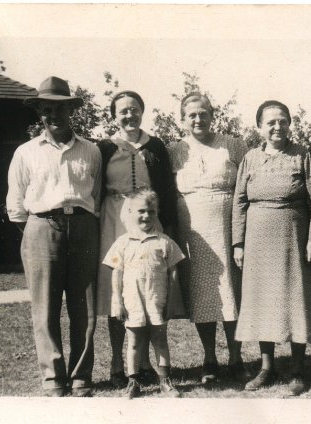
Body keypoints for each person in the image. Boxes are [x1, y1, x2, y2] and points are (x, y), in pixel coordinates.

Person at [6, 76, 102, 397]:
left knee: (84, 307)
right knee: (44, 307)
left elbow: (97, 195)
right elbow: (16, 202)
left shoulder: (91, 150)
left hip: (84, 228)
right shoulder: (25, 152)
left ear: (70, 112)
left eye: (59, 109)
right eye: (47, 110)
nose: (53, 116)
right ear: (40, 114)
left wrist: (82, 225)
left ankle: (80, 375)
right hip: (41, 228)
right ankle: (53, 377)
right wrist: (37, 228)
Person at [232, 100, 311, 396]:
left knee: (295, 299)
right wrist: (238, 242)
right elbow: (239, 202)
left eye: (283, 121)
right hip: (258, 240)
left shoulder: (303, 156)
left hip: (294, 238)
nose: (277, 126)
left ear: (290, 124)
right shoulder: (249, 158)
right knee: (264, 300)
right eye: (270, 122)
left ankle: (297, 370)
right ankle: (266, 367)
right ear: (259, 127)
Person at [96, 90, 182, 388]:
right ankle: (118, 362)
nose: (129, 115)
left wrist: (167, 226)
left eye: (134, 109)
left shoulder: (155, 145)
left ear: (142, 112)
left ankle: (144, 363)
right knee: (117, 289)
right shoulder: (105, 147)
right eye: (123, 111)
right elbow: (95, 188)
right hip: (114, 220)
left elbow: (166, 188)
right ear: (114, 116)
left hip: (148, 218)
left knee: (149, 288)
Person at [167, 92, 251, 384]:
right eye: (191, 115)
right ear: (183, 119)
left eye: (203, 113)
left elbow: (250, 182)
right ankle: (210, 359)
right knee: (204, 294)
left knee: (231, 293)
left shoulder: (233, 145)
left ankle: (237, 358)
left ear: (212, 115)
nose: (198, 119)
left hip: (228, 226)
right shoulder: (174, 150)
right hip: (192, 231)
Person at [103, 190, 184, 399]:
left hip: (156, 300)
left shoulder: (164, 241)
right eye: (141, 211)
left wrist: (172, 301)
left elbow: (174, 272)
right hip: (132, 302)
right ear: (130, 213)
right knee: (135, 342)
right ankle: (133, 382)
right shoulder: (123, 242)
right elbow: (116, 273)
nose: (146, 216)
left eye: (151, 211)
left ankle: (165, 381)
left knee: (160, 340)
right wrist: (117, 302)